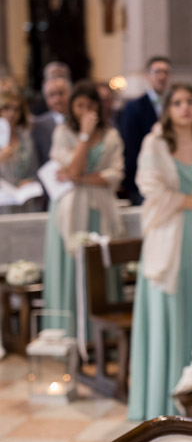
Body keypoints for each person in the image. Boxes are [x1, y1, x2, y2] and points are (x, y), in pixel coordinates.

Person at [127, 83, 192, 421]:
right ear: (167, 109)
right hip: (166, 240)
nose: (185, 108)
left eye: (190, 101)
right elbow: (151, 189)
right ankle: (162, 404)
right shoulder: (154, 143)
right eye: (177, 102)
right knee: (169, 314)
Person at [43, 81, 123, 336]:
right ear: (72, 107)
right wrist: (85, 135)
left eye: (91, 106)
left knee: (99, 267)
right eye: (80, 106)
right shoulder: (63, 133)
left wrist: (79, 178)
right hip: (70, 209)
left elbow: (114, 176)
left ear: (99, 107)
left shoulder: (111, 135)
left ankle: (101, 336)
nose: (86, 111)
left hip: (101, 209)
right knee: (71, 267)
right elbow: (74, 167)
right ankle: (69, 335)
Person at [120, 55, 171, 204]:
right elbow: (130, 147)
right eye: (157, 72)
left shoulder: (174, 105)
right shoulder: (134, 107)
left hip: (171, 179)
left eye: (166, 72)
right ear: (147, 75)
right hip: (144, 179)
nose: (162, 77)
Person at [0, 90, 40, 211]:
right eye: (6, 108)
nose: (11, 113)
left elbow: (35, 169)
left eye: (16, 109)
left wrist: (30, 180)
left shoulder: (26, 138)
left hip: (23, 199)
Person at [31, 76, 70, 167]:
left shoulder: (80, 121)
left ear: (70, 94)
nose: (57, 100)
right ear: (46, 99)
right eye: (52, 95)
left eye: (61, 93)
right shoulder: (37, 124)